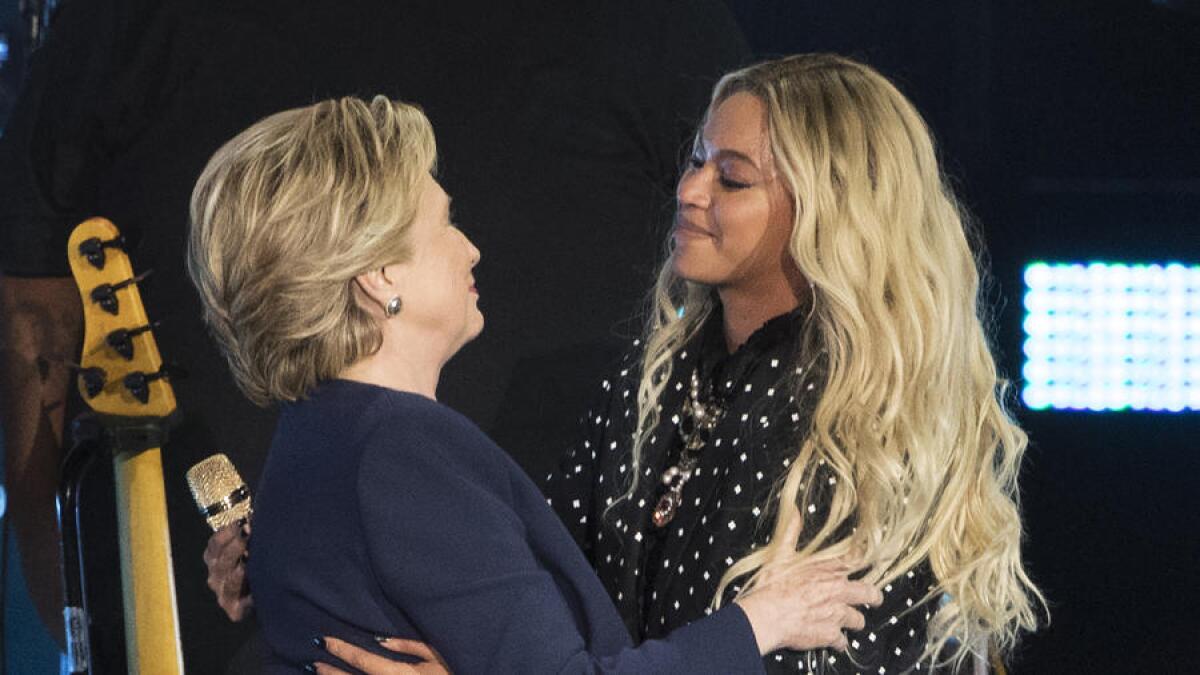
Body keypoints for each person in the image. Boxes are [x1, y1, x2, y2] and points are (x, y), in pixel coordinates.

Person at [204, 54, 1045, 673]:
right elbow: (531, 594)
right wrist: (298, 556)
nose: (689, 190)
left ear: (831, 210)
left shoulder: (873, 422)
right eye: (694, 159)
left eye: (733, 177)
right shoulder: (653, 384)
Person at [0, 0, 748, 670]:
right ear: (378, 277)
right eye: (448, 225)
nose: (472, 248)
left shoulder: (312, 434)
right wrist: (754, 625)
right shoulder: (408, 449)